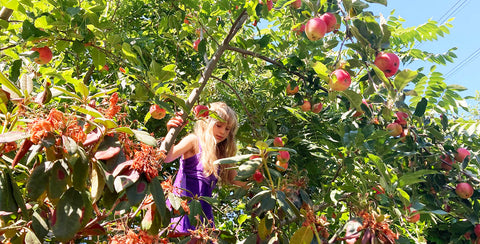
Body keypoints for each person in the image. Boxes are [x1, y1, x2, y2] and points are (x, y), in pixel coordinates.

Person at [164, 101, 244, 236]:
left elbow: (238, 180)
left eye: (227, 129)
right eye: (218, 125)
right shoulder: (193, 141)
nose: (222, 132)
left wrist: (259, 172)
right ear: (206, 122)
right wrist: (171, 132)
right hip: (181, 210)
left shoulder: (221, 155)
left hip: (202, 215)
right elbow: (167, 157)